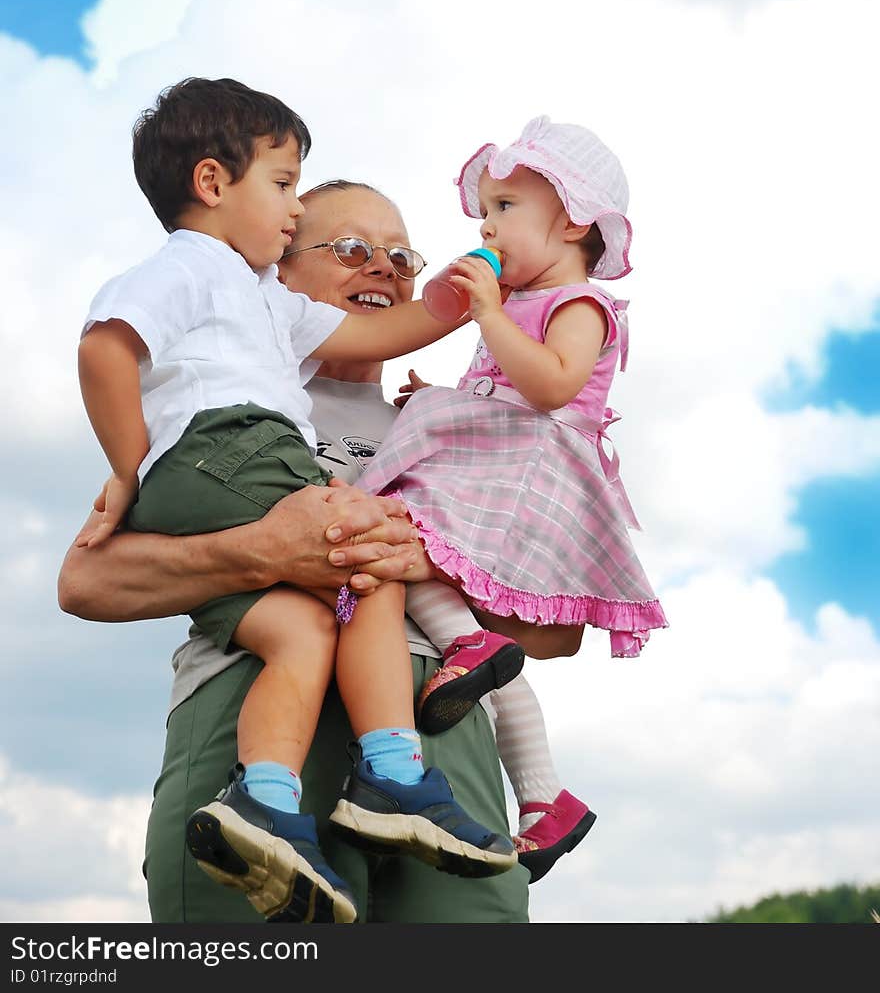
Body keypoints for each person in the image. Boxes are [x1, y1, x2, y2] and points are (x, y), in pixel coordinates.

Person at [75, 79, 516, 924]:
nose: (386, 266)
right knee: (354, 546)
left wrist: (486, 276)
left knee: (330, 595)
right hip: (239, 692)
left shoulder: (446, 423)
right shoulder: (220, 338)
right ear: (279, 261)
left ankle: (284, 795)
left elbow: (551, 625)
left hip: (440, 719)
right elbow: (84, 581)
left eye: (403, 252)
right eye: (349, 245)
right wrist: (143, 476)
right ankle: (384, 776)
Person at [355, 115, 669, 882]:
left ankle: (470, 646)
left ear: (570, 221)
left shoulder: (582, 306)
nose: (486, 225)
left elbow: (554, 385)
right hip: (502, 459)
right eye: (485, 210)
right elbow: (500, 386)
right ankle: (543, 799)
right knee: (421, 572)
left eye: (503, 208)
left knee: (403, 537)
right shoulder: (517, 307)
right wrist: (448, 395)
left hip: (535, 472)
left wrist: (491, 316)